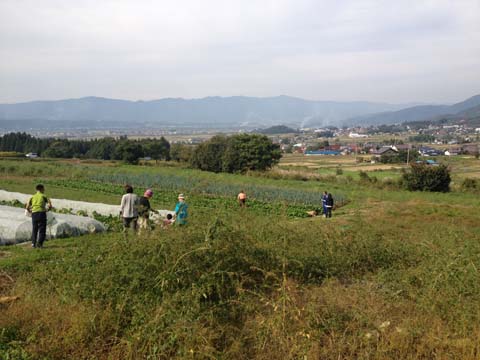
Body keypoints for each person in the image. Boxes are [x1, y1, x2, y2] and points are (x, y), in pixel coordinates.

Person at [25, 184, 52, 248]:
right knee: (42, 229)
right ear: (42, 189)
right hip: (41, 213)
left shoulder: (32, 197)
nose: (44, 190)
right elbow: (50, 205)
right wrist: (47, 210)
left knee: (34, 229)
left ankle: (33, 244)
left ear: (36, 189)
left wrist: (30, 211)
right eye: (44, 189)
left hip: (34, 214)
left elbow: (27, 207)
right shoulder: (44, 196)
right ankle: (39, 244)